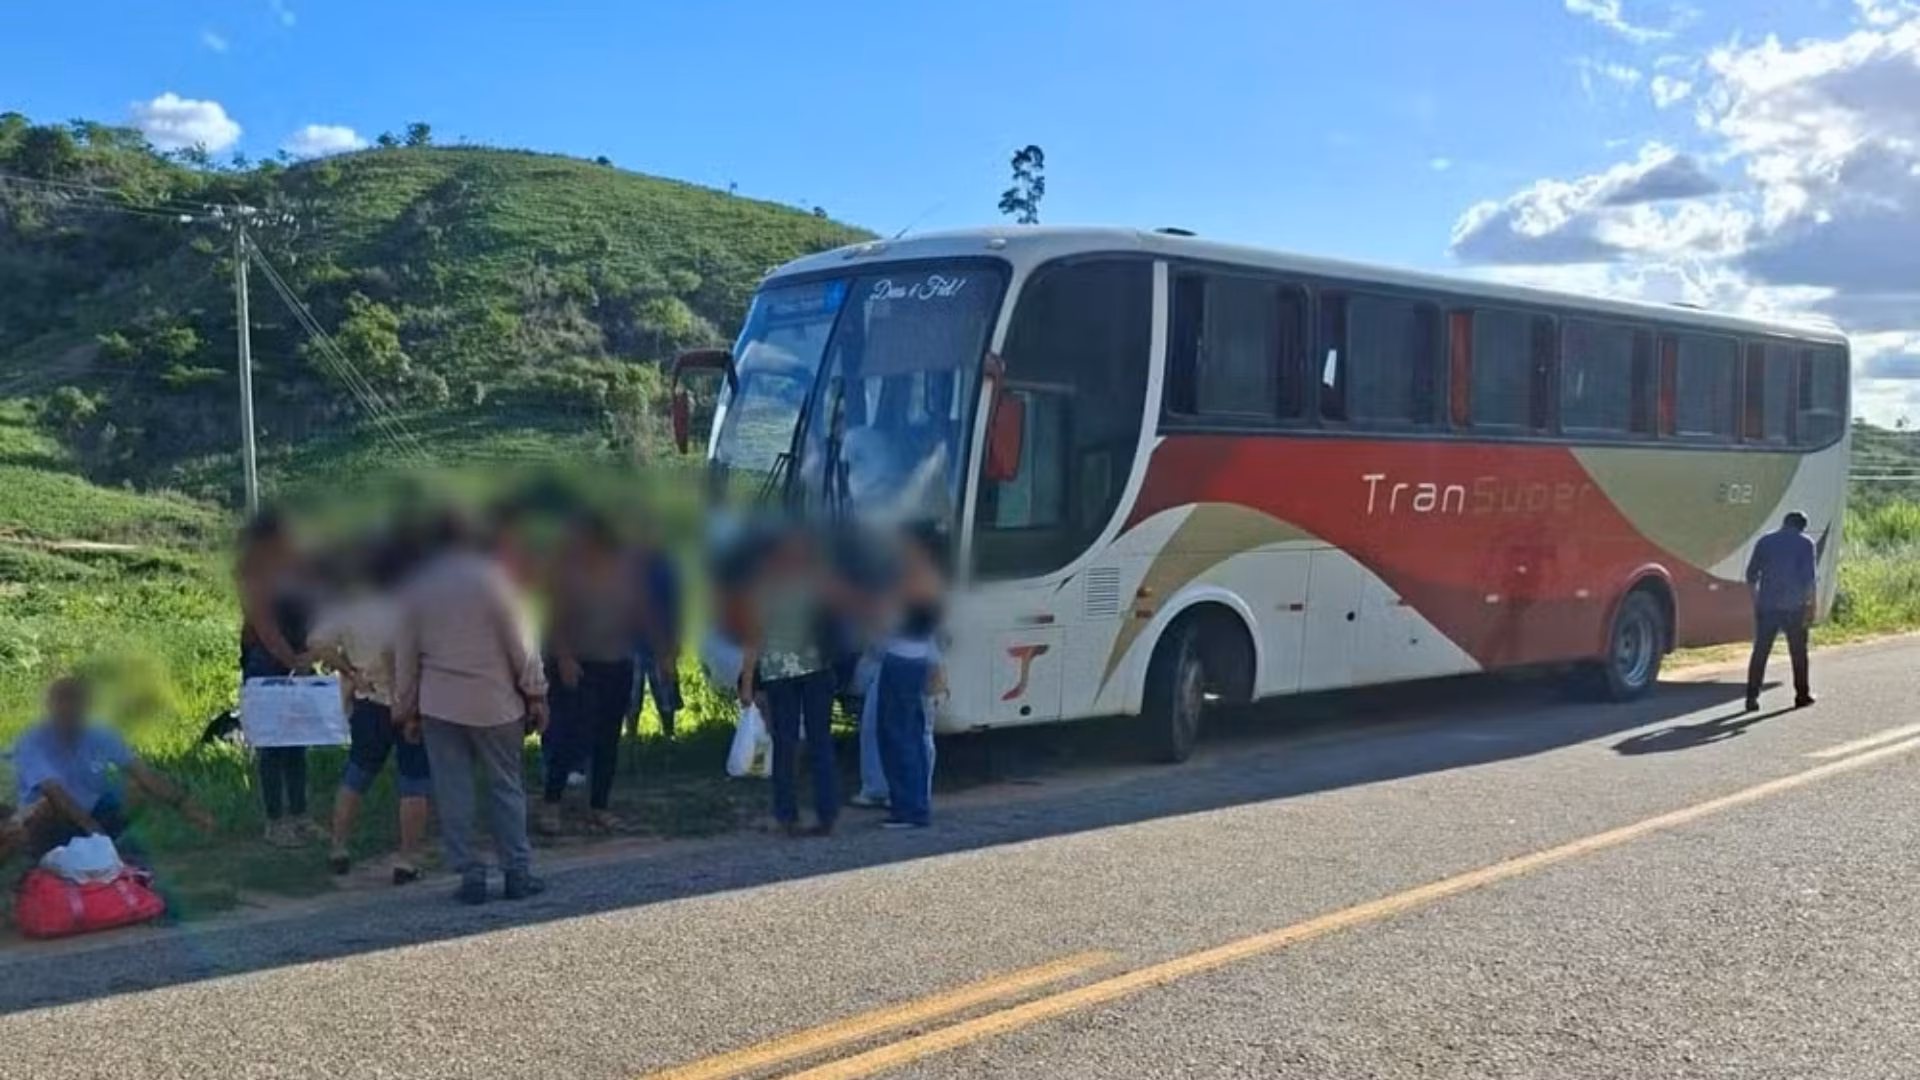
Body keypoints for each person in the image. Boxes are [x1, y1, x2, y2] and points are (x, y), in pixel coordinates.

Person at [394, 509, 549, 905]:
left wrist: (405, 709)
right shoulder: (495, 580)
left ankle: (472, 876)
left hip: (439, 706)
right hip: (495, 703)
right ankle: (516, 872)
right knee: (506, 788)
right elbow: (522, 644)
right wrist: (535, 693)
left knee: (454, 792)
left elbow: (406, 657)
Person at [311, 538, 428, 885]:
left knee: (356, 775)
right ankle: (406, 859)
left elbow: (316, 643)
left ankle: (338, 847)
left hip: (366, 698)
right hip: (406, 702)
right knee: (415, 783)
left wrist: (348, 670)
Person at [10, 677, 215, 860]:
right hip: (52, 817)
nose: (69, 709)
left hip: (91, 808)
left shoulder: (100, 734)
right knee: (43, 808)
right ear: (51, 707)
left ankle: (110, 844)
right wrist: (93, 830)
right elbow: (53, 791)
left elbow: (142, 773)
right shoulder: (32, 741)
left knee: (136, 789)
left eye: (75, 702)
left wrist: (187, 806)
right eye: (62, 702)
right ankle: (46, 853)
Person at [538, 513, 638, 834]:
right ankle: (551, 803)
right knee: (569, 735)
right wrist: (565, 657)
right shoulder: (566, 574)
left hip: (616, 663)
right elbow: (554, 620)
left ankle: (599, 806)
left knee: (608, 739)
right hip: (579, 665)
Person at [738, 525, 838, 837]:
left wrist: (748, 680)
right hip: (818, 668)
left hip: (780, 673)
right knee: (821, 741)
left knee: (785, 742)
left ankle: (786, 813)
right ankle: (826, 813)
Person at [235, 510, 321, 847]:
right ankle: (276, 822)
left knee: (297, 743)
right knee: (273, 745)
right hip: (266, 663)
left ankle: (301, 817)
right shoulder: (253, 573)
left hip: (298, 656)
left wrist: (312, 652)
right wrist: (294, 661)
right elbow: (264, 625)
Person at [873, 525, 946, 829]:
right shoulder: (927, 574)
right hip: (910, 658)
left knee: (898, 734)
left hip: (904, 659)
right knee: (908, 733)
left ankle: (909, 808)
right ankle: (913, 803)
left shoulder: (917, 576)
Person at [1744, 510, 1819, 712]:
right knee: (1798, 653)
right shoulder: (1805, 543)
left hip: (1767, 605)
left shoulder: (1765, 541)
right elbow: (1809, 580)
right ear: (1801, 527)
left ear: (1784, 523)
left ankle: (1751, 696)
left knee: (1760, 652)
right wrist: (1812, 607)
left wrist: (1756, 601)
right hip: (1794, 607)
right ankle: (1801, 695)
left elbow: (1751, 575)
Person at [628, 524, 682, 742]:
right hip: (632, 645)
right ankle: (630, 742)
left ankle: (669, 740)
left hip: (663, 645)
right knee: (631, 700)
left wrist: (675, 644)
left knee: (666, 696)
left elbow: (677, 608)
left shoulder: (668, 568)